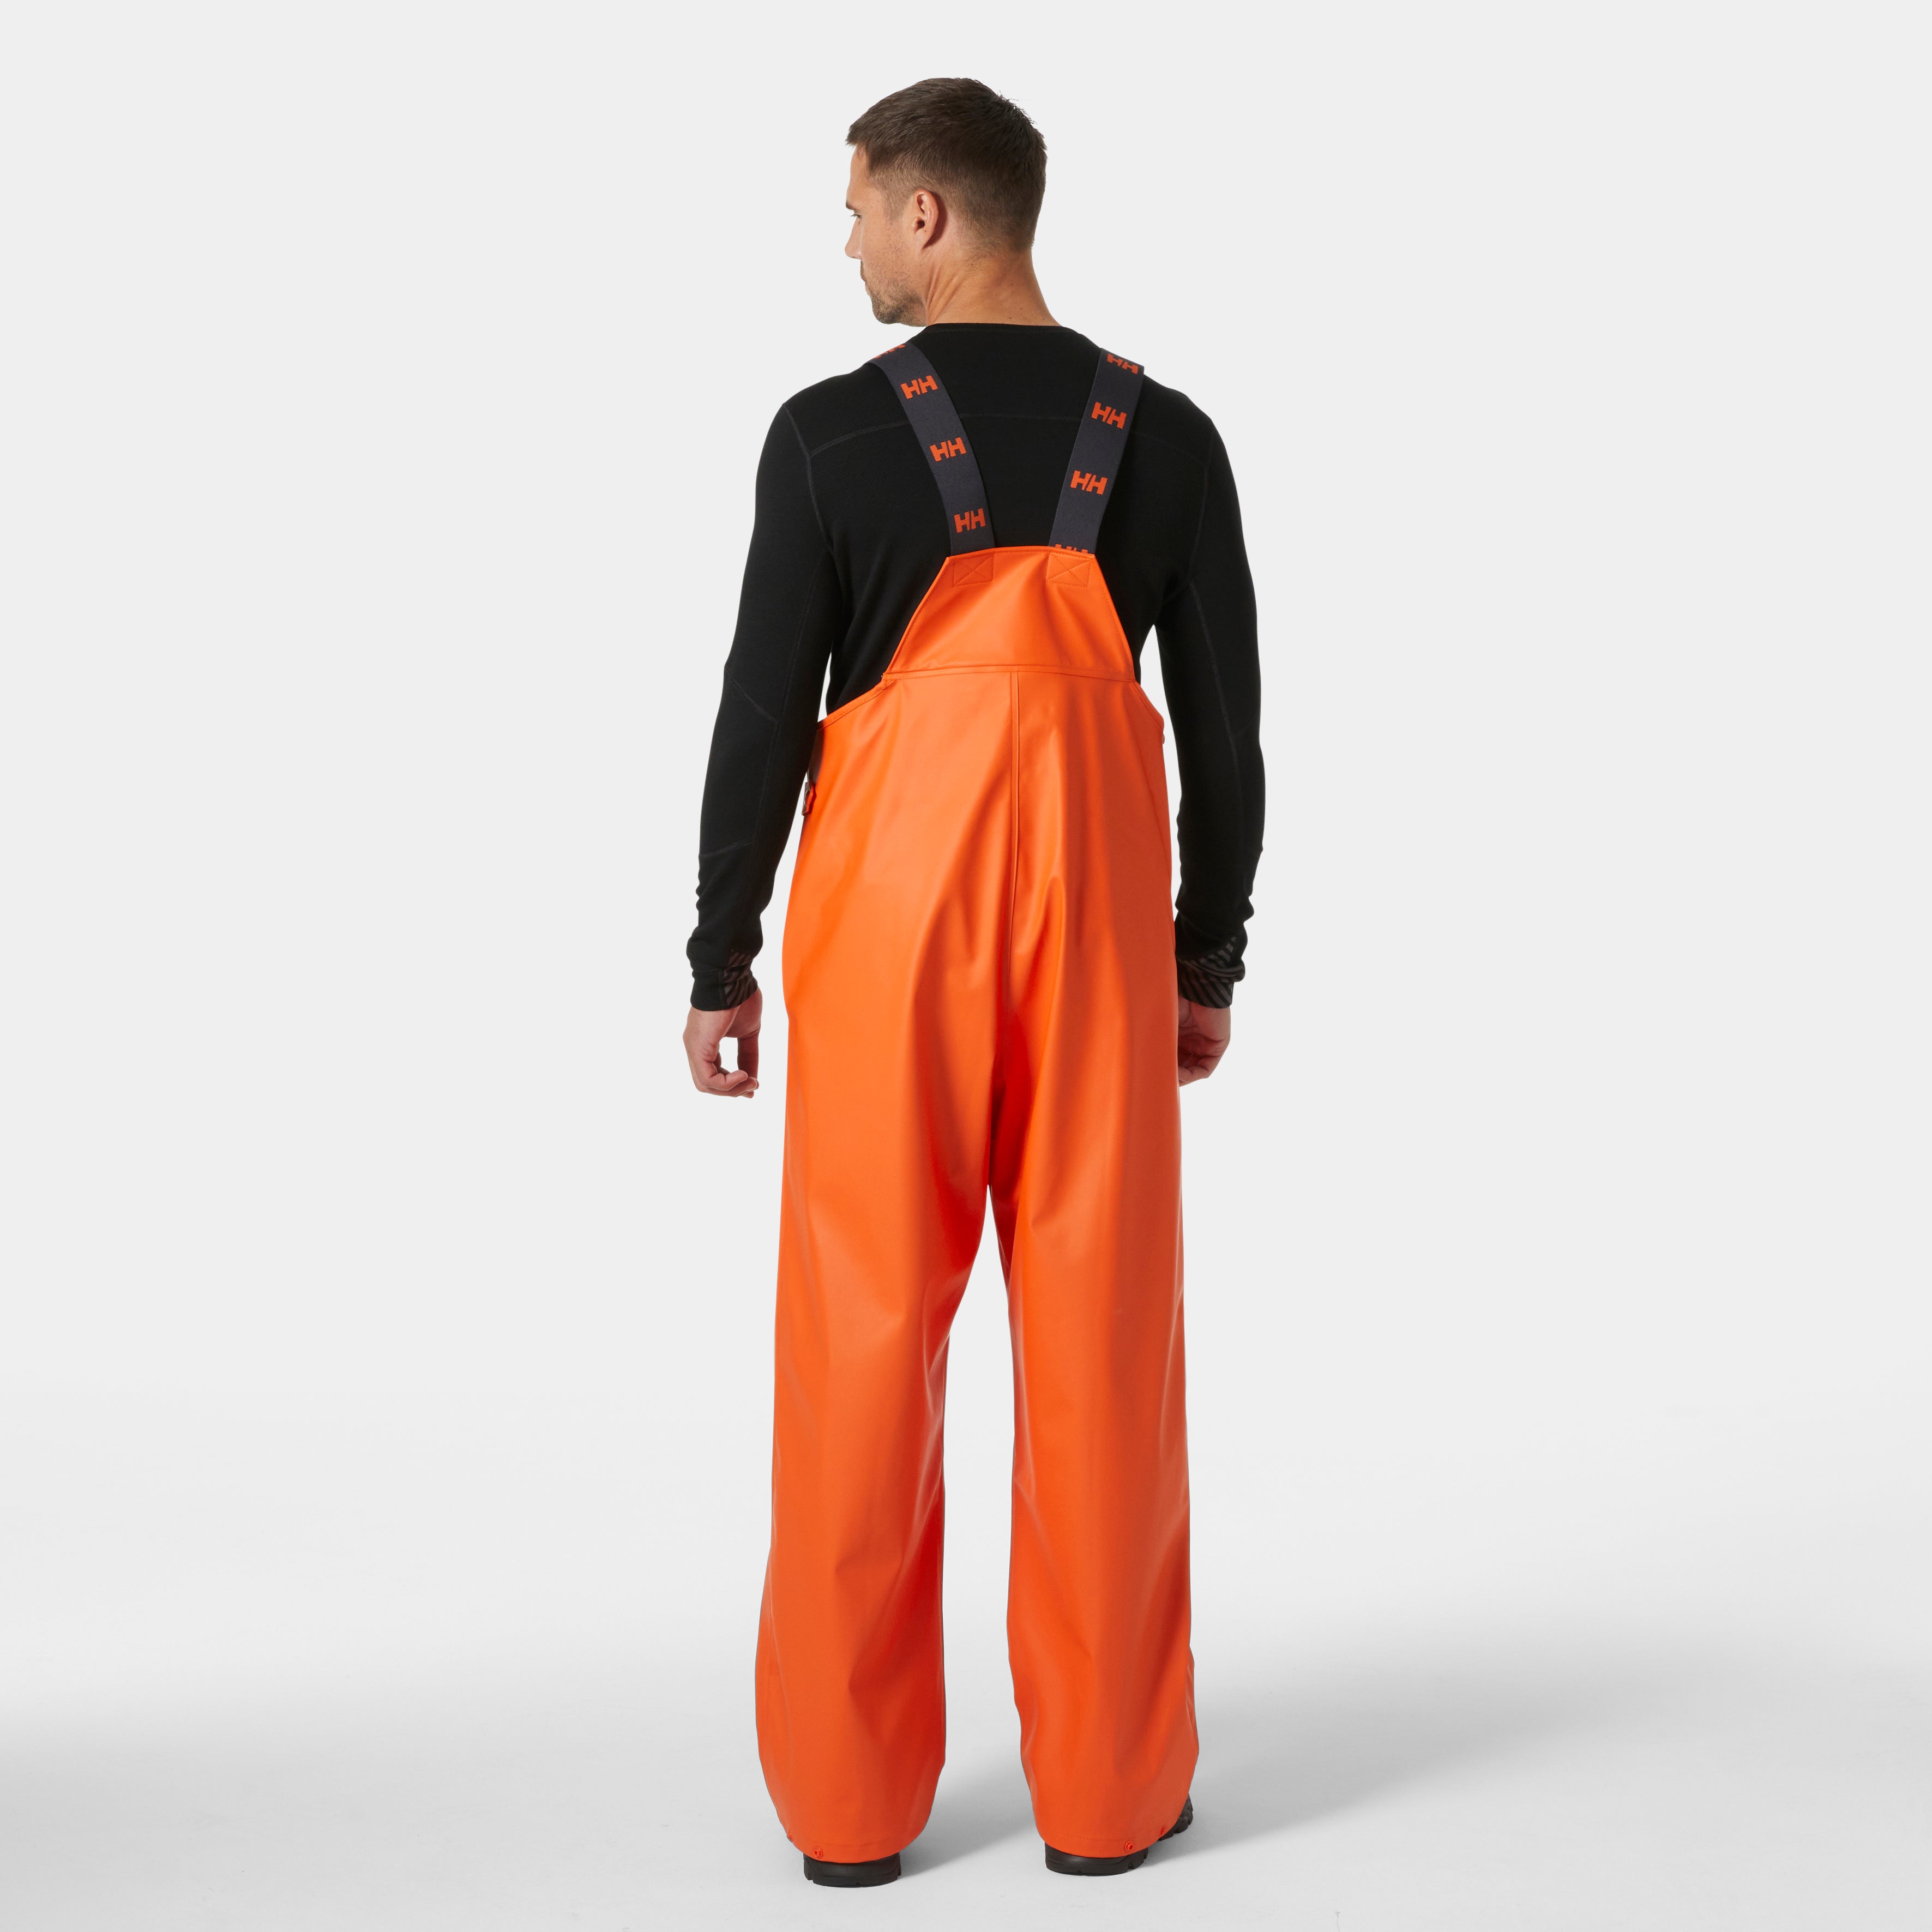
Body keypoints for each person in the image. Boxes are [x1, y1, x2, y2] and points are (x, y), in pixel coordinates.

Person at [681, 77, 1263, 1887]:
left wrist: (721, 956)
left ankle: (848, 1811)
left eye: (859, 204)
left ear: (929, 213)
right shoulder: (1166, 438)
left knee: (861, 1348)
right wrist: (1207, 960)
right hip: (1096, 955)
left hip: (886, 950)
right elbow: (1226, 741)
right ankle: (1109, 1793)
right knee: (1105, 1354)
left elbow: (763, 715)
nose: (848, 237)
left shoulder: (827, 437)